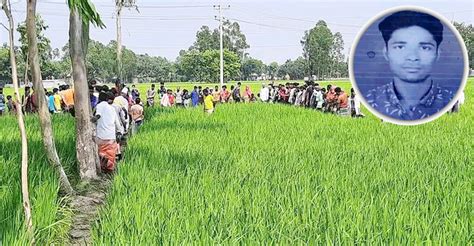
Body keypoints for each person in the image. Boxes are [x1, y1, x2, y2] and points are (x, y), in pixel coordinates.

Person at [366, 10, 454, 120]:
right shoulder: (371, 100)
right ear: (386, 53)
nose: (412, 57)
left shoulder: (450, 100)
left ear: (437, 54)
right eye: (400, 47)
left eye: (425, 48)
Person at [92, 92, 119, 173]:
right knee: (110, 154)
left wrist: (92, 119)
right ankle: (110, 168)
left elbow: (98, 115)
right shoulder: (112, 108)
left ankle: (103, 166)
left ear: (99, 99)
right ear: (107, 99)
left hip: (102, 136)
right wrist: (119, 132)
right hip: (111, 136)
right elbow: (116, 122)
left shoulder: (99, 105)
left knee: (101, 153)